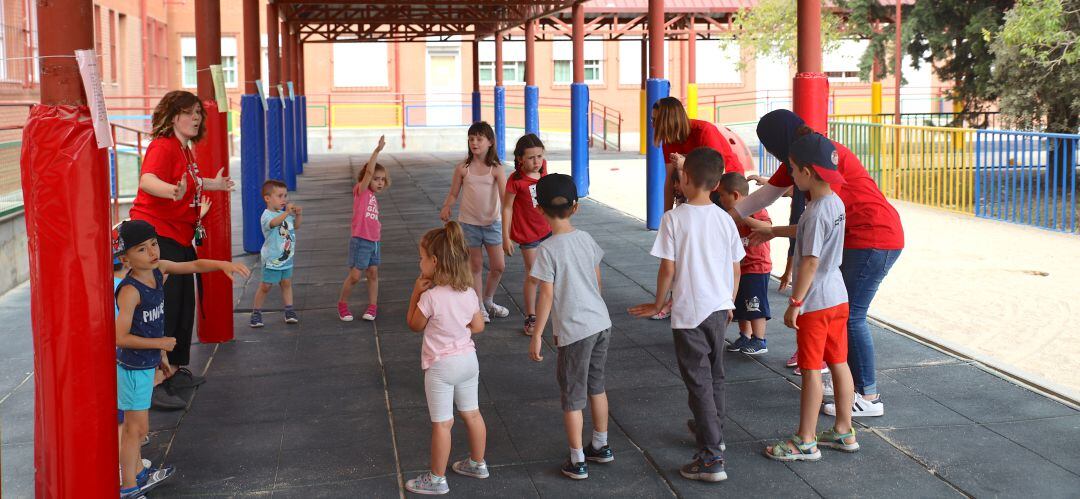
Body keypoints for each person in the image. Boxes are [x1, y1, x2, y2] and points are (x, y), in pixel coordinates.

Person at [735, 109, 904, 416]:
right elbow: (762, 198)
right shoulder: (806, 155)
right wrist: (719, 215)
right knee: (842, 316)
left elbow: (816, 230)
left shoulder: (820, 161)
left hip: (872, 237)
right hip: (865, 236)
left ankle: (867, 396)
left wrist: (795, 300)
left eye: (772, 148)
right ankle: (847, 386)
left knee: (851, 316)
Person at [630, 147, 744, 483]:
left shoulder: (674, 219)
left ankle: (711, 457)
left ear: (685, 178)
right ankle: (712, 428)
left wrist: (657, 302)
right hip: (718, 309)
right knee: (715, 375)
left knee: (698, 382)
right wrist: (730, 302)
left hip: (690, 312)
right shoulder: (725, 218)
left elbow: (668, 267)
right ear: (716, 183)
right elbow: (736, 268)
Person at [113, 220, 249, 498]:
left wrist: (222, 264)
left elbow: (193, 267)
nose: (152, 251)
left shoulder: (159, 269)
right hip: (132, 369)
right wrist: (160, 344)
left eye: (153, 244)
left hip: (145, 364)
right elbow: (120, 337)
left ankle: (139, 473)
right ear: (126, 259)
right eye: (142, 249)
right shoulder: (130, 291)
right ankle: (128, 487)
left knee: (141, 428)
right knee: (133, 431)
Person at [128, 90, 235, 401]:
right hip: (158, 239)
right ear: (173, 116)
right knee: (164, 307)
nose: (196, 117)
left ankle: (173, 370)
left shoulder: (185, 149)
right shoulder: (163, 146)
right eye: (190, 112)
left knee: (182, 305)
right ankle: (156, 380)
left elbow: (190, 184)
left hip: (178, 235)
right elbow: (148, 180)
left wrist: (212, 185)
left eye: (198, 113)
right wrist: (171, 191)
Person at [764, 133, 859, 462]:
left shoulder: (816, 211)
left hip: (816, 302)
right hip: (838, 297)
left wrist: (795, 303)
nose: (790, 175)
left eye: (792, 169)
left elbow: (809, 260)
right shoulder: (833, 203)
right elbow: (808, 234)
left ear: (807, 172)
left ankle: (806, 440)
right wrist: (772, 231)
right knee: (839, 363)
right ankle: (844, 430)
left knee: (810, 370)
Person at [527, 173, 614, 480]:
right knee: (596, 386)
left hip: (575, 332)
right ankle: (601, 445)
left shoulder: (548, 250)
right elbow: (597, 280)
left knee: (572, 397)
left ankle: (577, 459)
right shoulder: (586, 239)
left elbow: (546, 294)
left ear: (539, 209)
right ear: (575, 207)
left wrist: (537, 333)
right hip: (600, 323)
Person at [405, 221, 490, 495]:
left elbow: (414, 325)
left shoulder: (430, 296)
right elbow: (478, 327)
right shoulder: (468, 292)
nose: (419, 262)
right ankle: (478, 463)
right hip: (468, 361)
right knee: (472, 413)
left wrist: (416, 291)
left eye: (421, 257)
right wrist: (458, 329)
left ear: (434, 261)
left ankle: (437, 479)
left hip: (441, 366)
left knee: (443, 423)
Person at [439, 122, 510, 322]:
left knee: (498, 266)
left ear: (490, 142)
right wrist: (447, 205)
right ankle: (478, 306)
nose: (474, 143)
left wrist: (508, 228)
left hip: (492, 224)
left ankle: (488, 300)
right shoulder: (463, 168)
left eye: (479, 139)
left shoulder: (496, 169)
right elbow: (454, 193)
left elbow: (506, 201)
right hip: (469, 225)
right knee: (475, 266)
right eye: (471, 139)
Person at [712, 173, 773, 355]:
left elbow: (768, 228)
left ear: (736, 195)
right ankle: (745, 335)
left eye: (723, 195)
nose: (720, 199)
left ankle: (759, 339)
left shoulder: (757, 209)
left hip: (757, 266)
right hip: (740, 267)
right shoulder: (728, 216)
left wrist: (743, 216)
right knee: (740, 303)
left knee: (754, 304)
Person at [652, 96, 745, 214]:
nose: (653, 125)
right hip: (703, 185)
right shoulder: (669, 139)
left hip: (727, 183)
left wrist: (685, 165)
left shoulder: (704, 130)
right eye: (652, 119)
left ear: (668, 121)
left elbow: (717, 171)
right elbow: (669, 181)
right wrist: (666, 216)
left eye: (656, 121)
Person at [502, 133, 552, 336]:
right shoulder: (516, 180)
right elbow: (507, 208)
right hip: (527, 234)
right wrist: (505, 237)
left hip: (547, 230)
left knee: (551, 273)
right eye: (531, 158)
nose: (536, 162)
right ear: (520, 159)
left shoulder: (544, 169)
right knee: (534, 274)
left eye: (539, 156)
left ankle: (550, 309)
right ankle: (531, 315)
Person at [337, 135, 389, 321]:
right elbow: (368, 173)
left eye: (382, 179)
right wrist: (377, 151)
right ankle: (342, 304)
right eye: (376, 179)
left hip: (374, 242)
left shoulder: (373, 197)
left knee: (373, 273)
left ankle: (372, 306)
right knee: (355, 276)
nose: (380, 182)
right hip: (361, 240)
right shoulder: (361, 191)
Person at [250, 180, 303, 327]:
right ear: (267, 198)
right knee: (266, 286)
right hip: (272, 259)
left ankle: (289, 310)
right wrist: (287, 212)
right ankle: (256, 313)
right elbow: (274, 224)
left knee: (286, 283)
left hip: (287, 258)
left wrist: (298, 215)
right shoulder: (266, 216)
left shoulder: (284, 214)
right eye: (280, 196)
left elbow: (296, 226)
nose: (284, 199)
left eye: (285, 195)